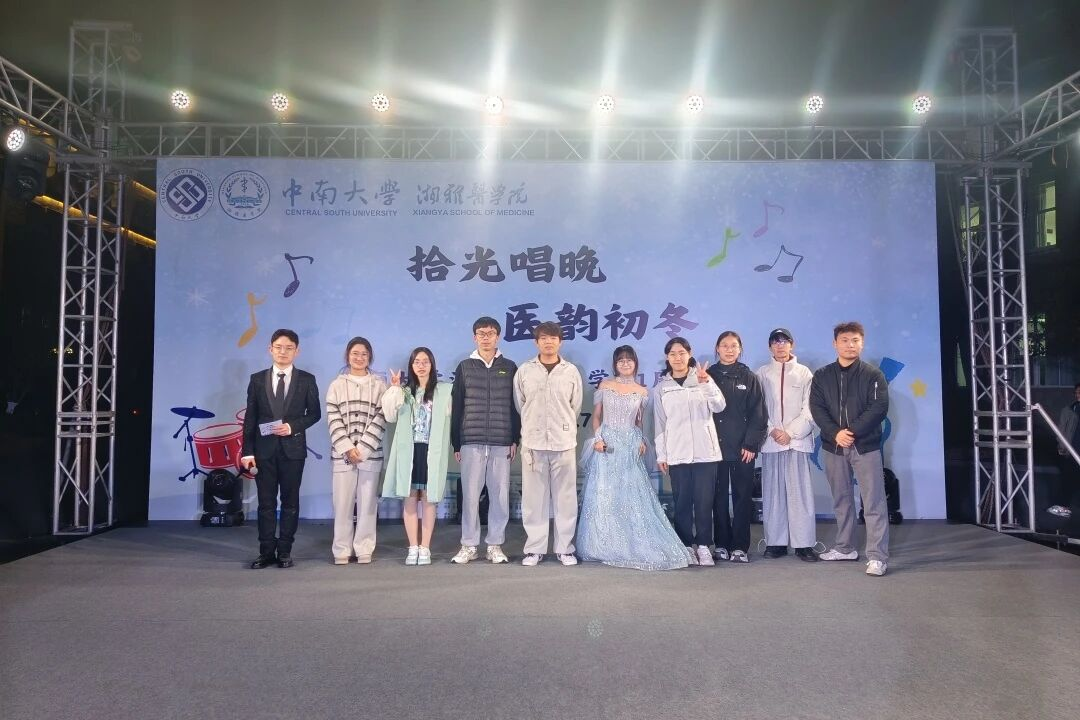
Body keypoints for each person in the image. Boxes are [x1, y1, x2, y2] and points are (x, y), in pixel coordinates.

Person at [577, 345, 691, 570]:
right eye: (621, 360)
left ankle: (632, 541)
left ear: (635, 363)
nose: (625, 364)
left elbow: (639, 421)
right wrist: (598, 439)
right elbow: (597, 416)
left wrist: (641, 441)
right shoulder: (605, 385)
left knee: (632, 495)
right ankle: (601, 544)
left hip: (630, 445)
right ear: (615, 364)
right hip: (607, 444)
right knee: (604, 494)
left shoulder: (643, 391)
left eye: (629, 360)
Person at [809, 321, 891, 577]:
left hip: (865, 446)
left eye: (855, 340)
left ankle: (877, 557)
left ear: (862, 343)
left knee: (873, 501)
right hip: (833, 446)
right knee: (841, 499)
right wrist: (836, 433)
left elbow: (878, 408)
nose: (850, 345)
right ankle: (845, 548)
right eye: (844, 340)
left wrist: (851, 432)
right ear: (835, 344)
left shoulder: (873, 375)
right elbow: (817, 408)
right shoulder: (822, 376)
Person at [240, 329, 321, 569]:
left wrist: (292, 427)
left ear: (297, 351)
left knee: (290, 503)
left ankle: (284, 551)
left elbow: (314, 413)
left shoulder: (307, 379)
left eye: (289, 348)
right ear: (270, 349)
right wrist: (247, 451)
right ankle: (266, 552)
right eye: (278, 347)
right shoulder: (257, 379)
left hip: (293, 451)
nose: (283, 352)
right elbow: (250, 418)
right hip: (263, 451)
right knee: (265, 504)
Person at [449, 317, 521, 564]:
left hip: (501, 441)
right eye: (481, 333)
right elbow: (457, 405)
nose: (486, 337)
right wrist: (456, 442)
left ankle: (494, 545)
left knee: (499, 496)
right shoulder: (464, 367)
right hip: (471, 439)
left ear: (498, 337)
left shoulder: (510, 367)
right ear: (474, 337)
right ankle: (468, 545)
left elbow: (515, 406)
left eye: (490, 333)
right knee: (470, 496)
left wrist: (515, 438)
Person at [514, 321, 584, 566]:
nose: (548, 342)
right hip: (533, 443)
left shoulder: (570, 371)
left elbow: (575, 407)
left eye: (553, 338)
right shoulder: (525, 370)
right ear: (536, 342)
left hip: (563, 443)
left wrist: (561, 427)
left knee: (566, 499)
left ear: (560, 342)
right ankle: (535, 549)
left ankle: (565, 549)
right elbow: (520, 405)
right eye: (543, 338)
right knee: (534, 500)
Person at [653, 336, 726, 566]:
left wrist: (706, 384)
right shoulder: (662, 388)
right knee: (682, 502)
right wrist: (662, 455)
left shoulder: (703, 378)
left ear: (689, 354)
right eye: (673, 354)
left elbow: (719, 406)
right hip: (677, 452)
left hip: (706, 451)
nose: (677, 358)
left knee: (704, 501)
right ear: (667, 357)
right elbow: (660, 424)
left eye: (681, 353)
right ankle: (686, 546)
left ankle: (704, 546)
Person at [382, 347, 453, 565]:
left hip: (432, 451)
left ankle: (425, 548)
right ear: (411, 366)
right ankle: (413, 546)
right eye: (417, 362)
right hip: (409, 450)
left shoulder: (444, 391)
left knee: (429, 499)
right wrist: (395, 389)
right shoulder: (404, 392)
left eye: (425, 362)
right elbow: (389, 415)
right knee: (411, 498)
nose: (421, 366)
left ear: (432, 365)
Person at [756, 328, 818, 562]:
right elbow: (758, 408)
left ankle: (804, 544)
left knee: (800, 494)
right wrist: (773, 430)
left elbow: (810, 408)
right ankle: (776, 543)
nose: (780, 345)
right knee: (773, 494)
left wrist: (790, 433)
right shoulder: (762, 374)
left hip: (797, 442)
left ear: (792, 344)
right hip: (772, 441)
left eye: (784, 341)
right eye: (775, 341)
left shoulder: (804, 373)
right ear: (770, 346)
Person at [325, 337, 387, 565]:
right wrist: (347, 448)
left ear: (370, 357)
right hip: (343, 456)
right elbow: (333, 419)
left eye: (364, 354)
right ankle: (341, 549)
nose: (359, 358)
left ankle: (364, 548)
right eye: (355, 353)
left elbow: (381, 418)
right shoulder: (336, 385)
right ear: (347, 356)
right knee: (342, 505)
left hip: (370, 455)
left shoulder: (379, 385)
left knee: (368, 504)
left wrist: (362, 449)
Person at [707, 331, 768, 563]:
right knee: (718, 497)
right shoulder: (708, 376)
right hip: (714, 448)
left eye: (734, 346)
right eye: (724, 345)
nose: (729, 350)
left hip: (743, 448)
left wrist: (751, 444)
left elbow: (758, 414)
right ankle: (721, 544)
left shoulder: (748, 377)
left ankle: (740, 546)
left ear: (740, 349)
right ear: (717, 348)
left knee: (742, 497)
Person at [1050, 383, 1080, 519]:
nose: (1078, 395)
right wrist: (1061, 446)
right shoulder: (1068, 410)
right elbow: (1061, 430)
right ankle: (1064, 507)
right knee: (1068, 480)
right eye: (1077, 392)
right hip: (1072, 451)